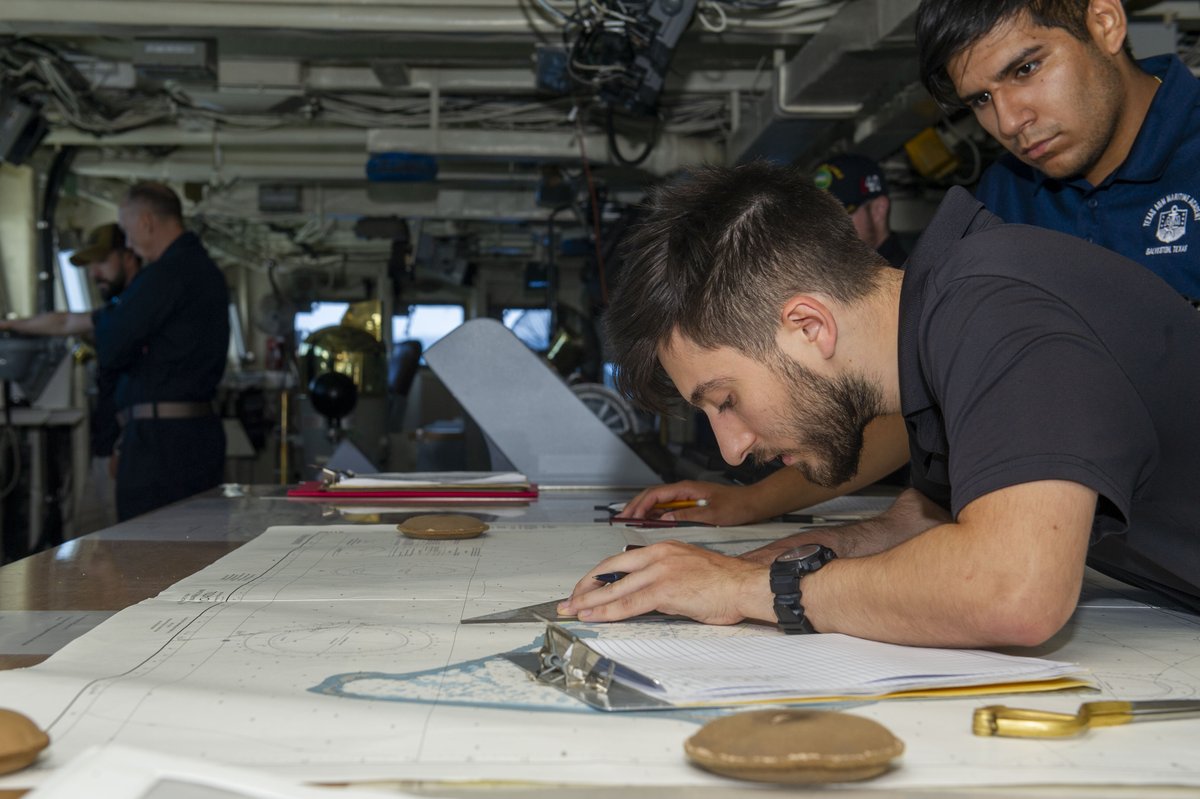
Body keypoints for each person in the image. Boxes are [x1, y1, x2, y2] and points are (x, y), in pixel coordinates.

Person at [559, 161, 1200, 647]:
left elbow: (1013, 588)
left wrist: (747, 590)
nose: (731, 447)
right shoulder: (937, 333)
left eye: (725, 399)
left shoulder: (995, 310)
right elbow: (917, 526)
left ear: (808, 326)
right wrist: (729, 569)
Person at [916, 0, 1200, 300]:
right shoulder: (1003, 197)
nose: (1009, 123)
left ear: (1105, 23)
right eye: (982, 99)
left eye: (1025, 69)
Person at [2, 184, 230, 520]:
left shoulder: (165, 275)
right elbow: (75, 321)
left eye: (127, 228)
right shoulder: (202, 270)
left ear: (147, 221)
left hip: (162, 447)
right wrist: (10, 325)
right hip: (192, 436)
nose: (129, 239)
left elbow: (114, 344)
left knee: (148, 553)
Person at [813, 153, 908, 267]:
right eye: (821, 217)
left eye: (840, 215)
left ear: (878, 210)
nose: (827, 228)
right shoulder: (836, 273)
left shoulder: (904, 278)